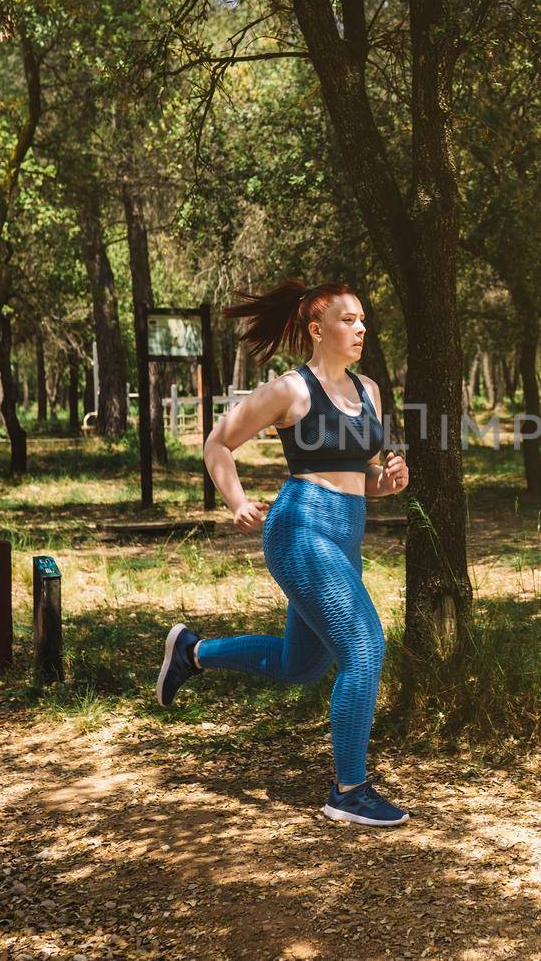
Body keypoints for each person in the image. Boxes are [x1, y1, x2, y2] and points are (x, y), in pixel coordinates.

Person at [155, 279, 412, 827]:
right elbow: (218, 442)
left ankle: (193, 653)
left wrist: (386, 481)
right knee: (364, 647)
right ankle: (348, 790)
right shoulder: (290, 390)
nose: (361, 328)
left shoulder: (369, 389)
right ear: (318, 330)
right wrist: (238, 500)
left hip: (346, 533)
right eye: (348, 320)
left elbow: (357, 473)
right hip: (301, 528)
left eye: (363, 319)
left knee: (302, 665)